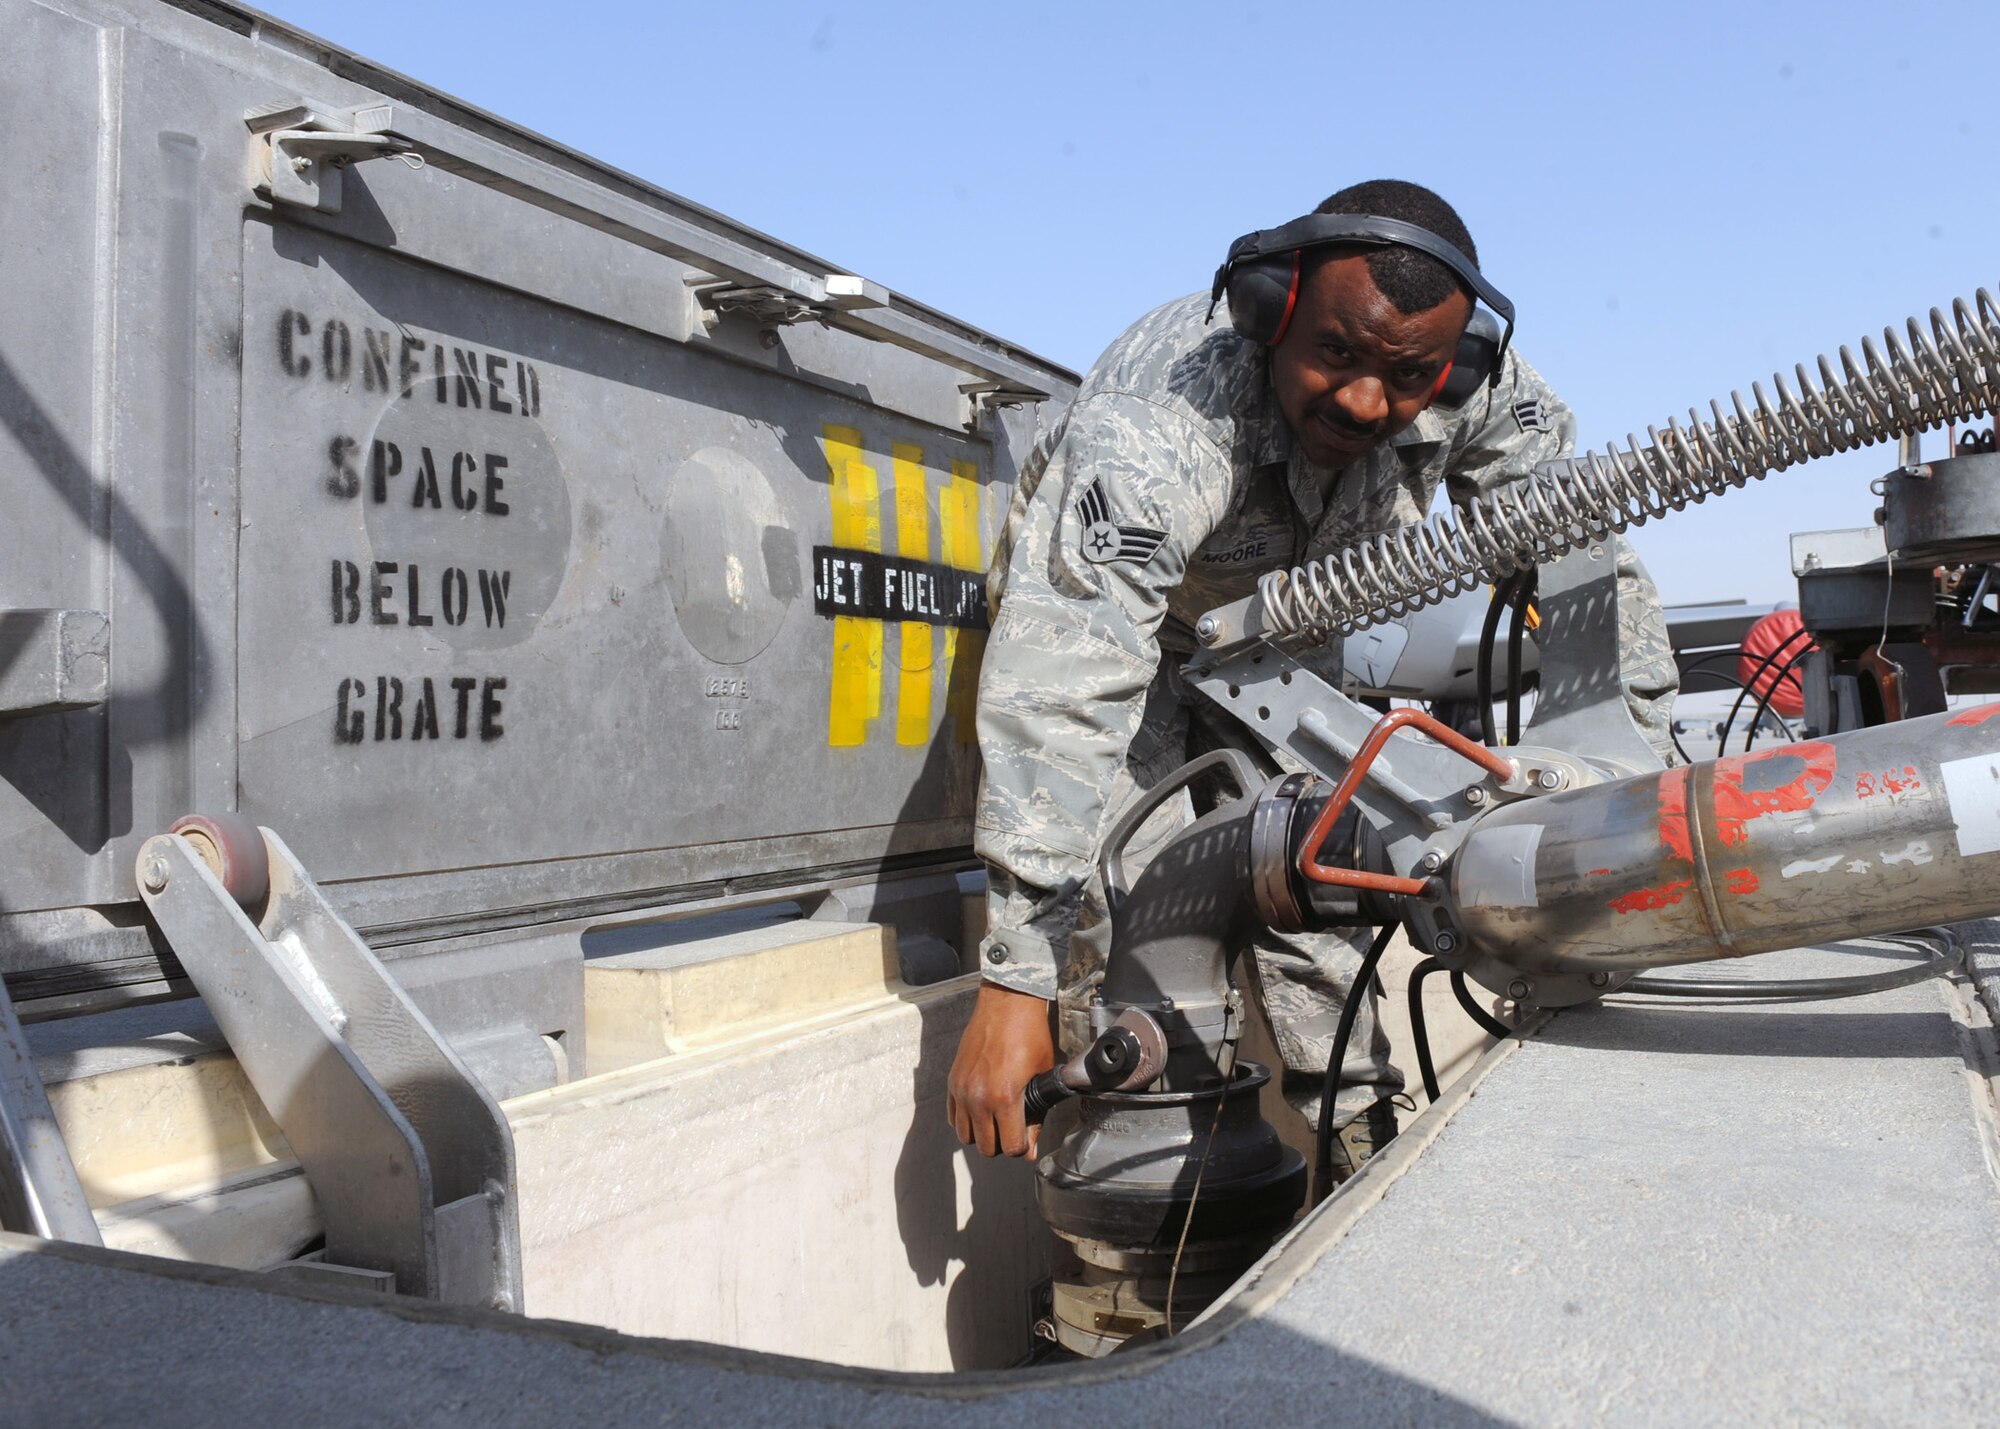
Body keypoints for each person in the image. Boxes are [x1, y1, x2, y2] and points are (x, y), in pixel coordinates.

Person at [944, 179, 1679, 1169]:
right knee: (1119, 919)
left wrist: (1638, 791)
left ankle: (1361, 1173)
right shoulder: (1163, 423)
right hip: (1130, 637)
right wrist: (1013, 979)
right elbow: (1070, 667)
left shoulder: (1472, 386)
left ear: (1453, 365)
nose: (1366, 401)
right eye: (1335, 353)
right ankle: (1127, 1236)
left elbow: (1588, 557)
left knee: (1323, 880)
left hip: (1279, 640)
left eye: (1407, 374)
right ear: (1270, 314)